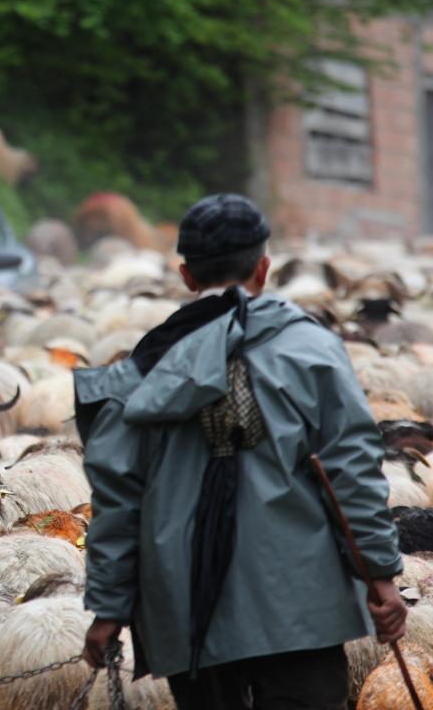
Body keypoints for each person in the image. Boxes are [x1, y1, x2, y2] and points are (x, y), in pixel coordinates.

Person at [74, 194, 405, 710]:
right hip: (299, 607)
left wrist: (109, 610)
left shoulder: (147, 366)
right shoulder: (310, 349)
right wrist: (379, 574)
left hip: (188, 615)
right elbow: (352, 470)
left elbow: (117, 497)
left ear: (185, 276)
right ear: (264, 268)